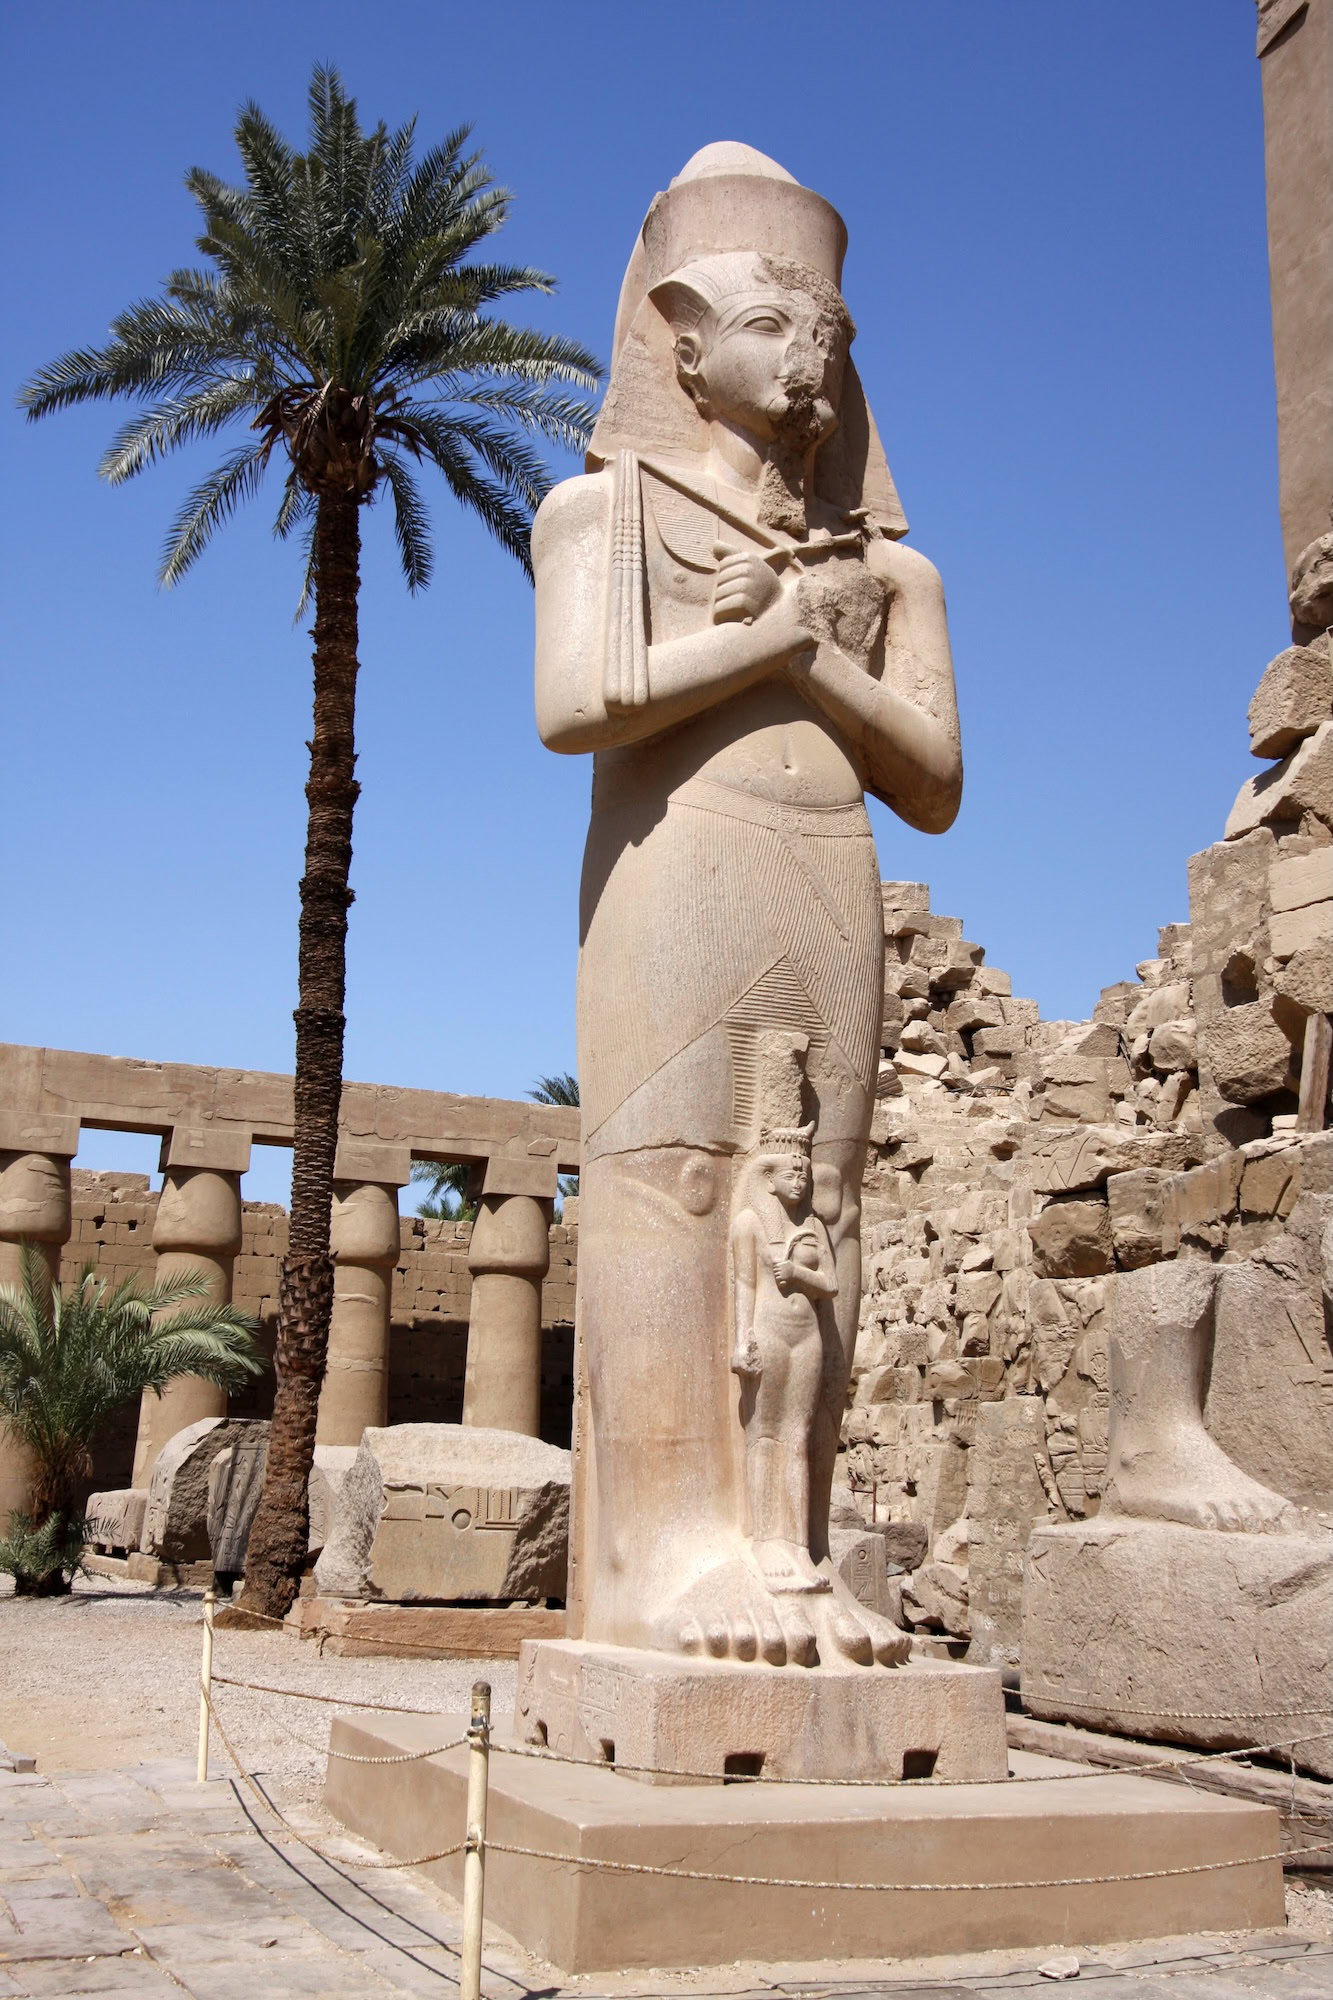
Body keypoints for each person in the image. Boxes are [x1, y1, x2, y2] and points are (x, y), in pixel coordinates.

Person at [534, 143, 961, 1668]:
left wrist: (802, 651)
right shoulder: (602, 516)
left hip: (823, 868)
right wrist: (760, 644)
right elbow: (579, 706)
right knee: (677, 1186)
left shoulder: (890, 572)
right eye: (773, 326)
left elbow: (932, 781)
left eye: (829, 333)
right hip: (675, 869)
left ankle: (781, 1548)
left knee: (816, 1207)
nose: (809, 358)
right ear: (681, 342)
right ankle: (667, 1562)